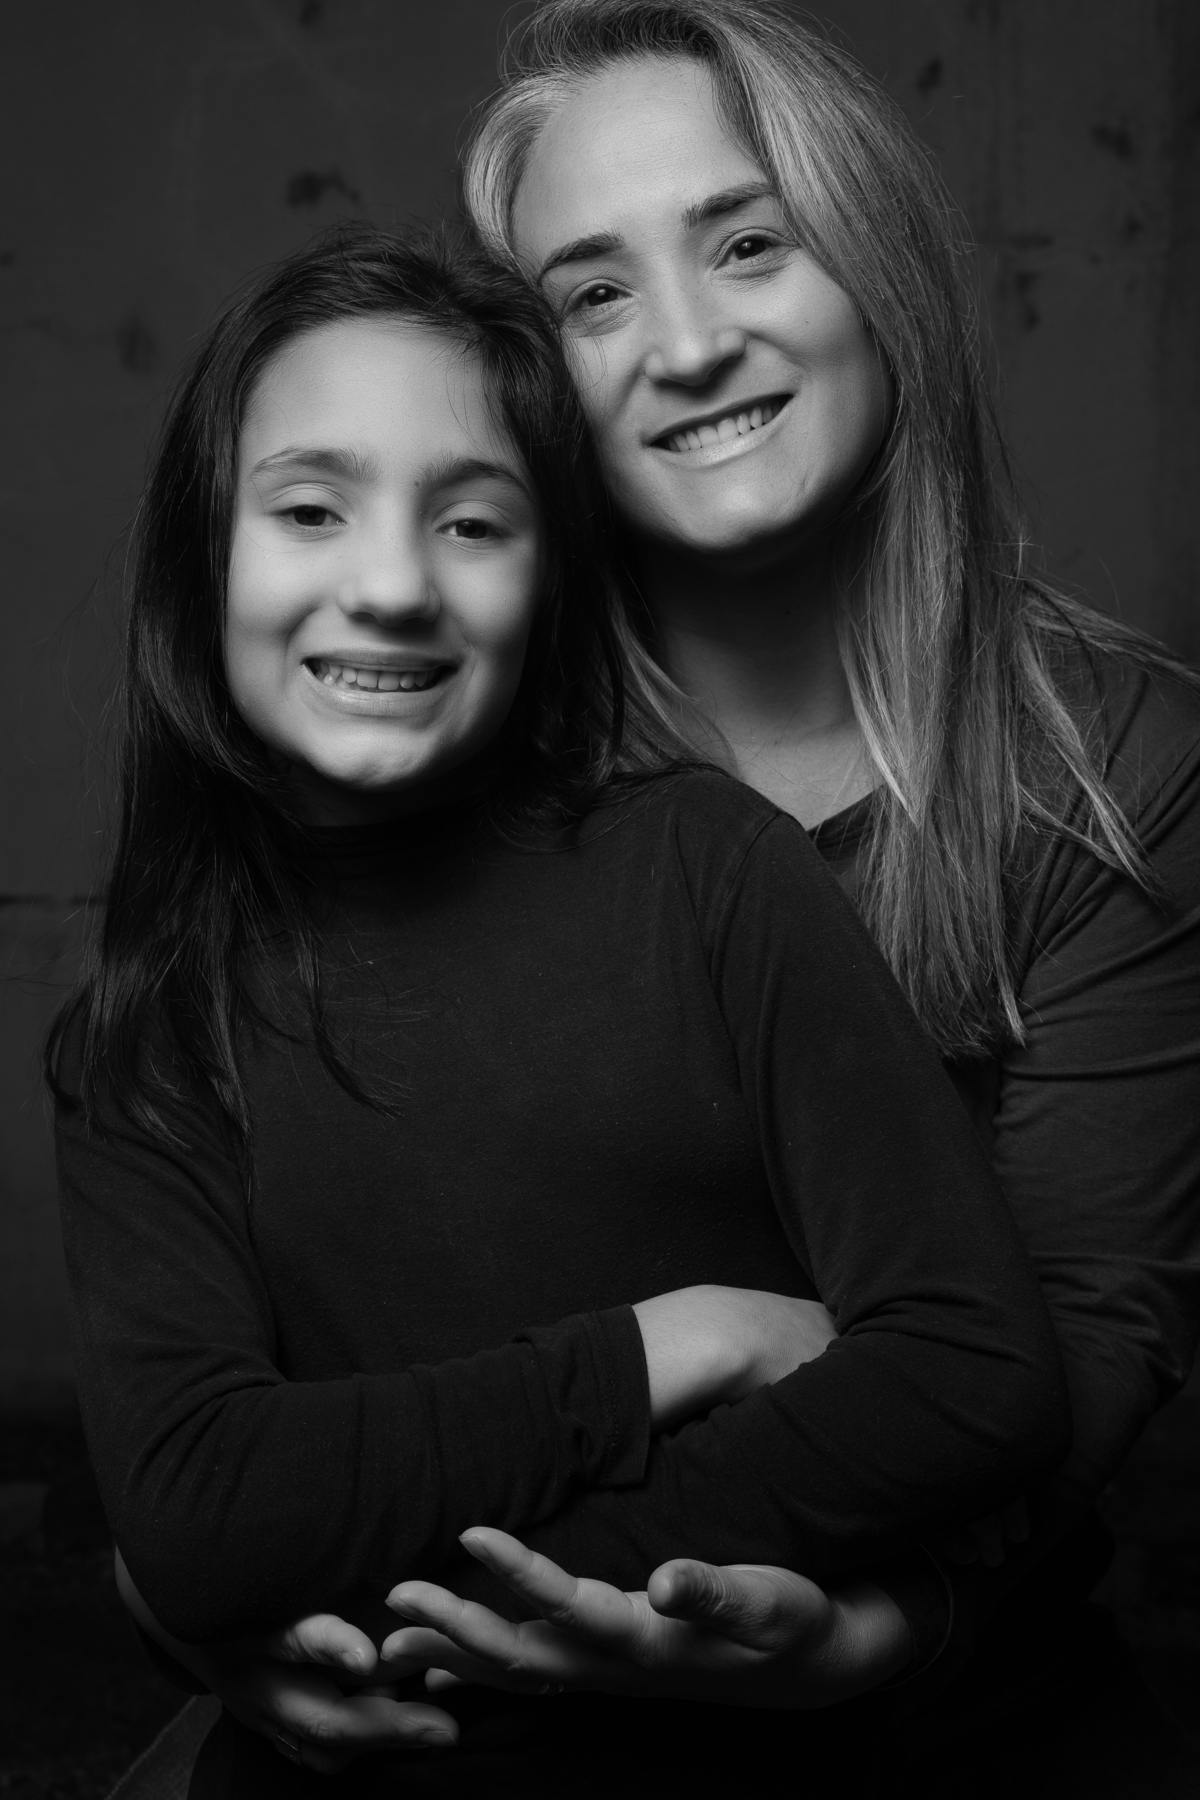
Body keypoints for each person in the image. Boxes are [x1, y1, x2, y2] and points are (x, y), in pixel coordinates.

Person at [204, 3, 1200, 1792]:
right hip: (444, 1699)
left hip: (940, 1697)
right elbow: (236, 1327)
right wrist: (208, 1600)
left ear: (881, 261)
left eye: (750, 243)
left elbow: (1082, 1341)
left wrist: (868, 1642)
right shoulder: (419, 732)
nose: (685, 342)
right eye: (593, 294)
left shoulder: (1119, 764)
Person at [52, 226, 1067, 1798]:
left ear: (549, 583)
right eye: (310, 510)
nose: (391, 586)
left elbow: (970, 1376)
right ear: (205, 557)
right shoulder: (150, 1026)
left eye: (472, 522)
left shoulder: (707, 871)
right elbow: (198, 1515)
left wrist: (458, 1601)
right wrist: (665, 1350)